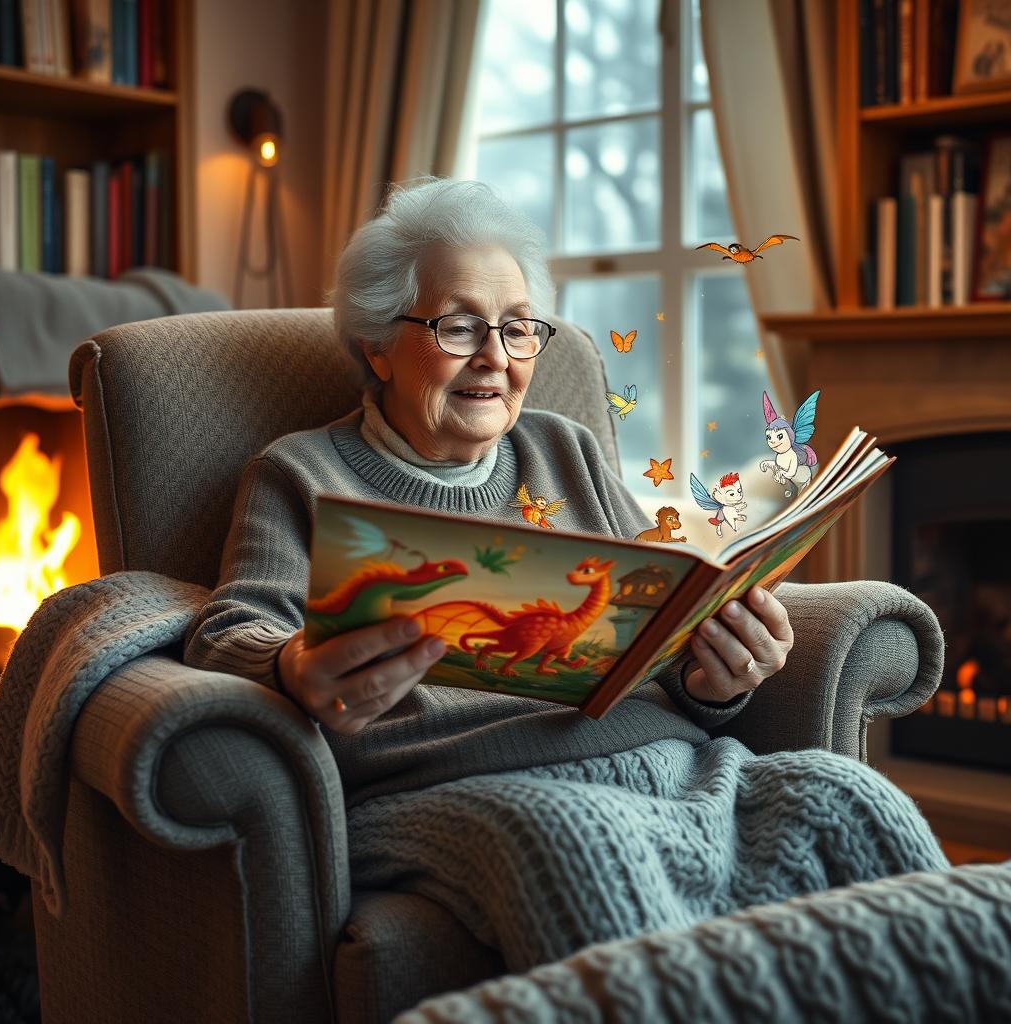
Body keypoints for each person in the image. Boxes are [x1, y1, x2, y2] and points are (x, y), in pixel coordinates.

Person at [184, 176, 947, 971]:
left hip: (672, 765)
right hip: (455, 790)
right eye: (458, 327)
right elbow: (228, 633)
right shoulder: (301, 473)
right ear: (376, 342)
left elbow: (652, 626)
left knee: (850, 799)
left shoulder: (564, 449)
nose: (495, 358)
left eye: (518, 330)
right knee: (589, 850)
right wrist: (295, 667)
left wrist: (718, 676)